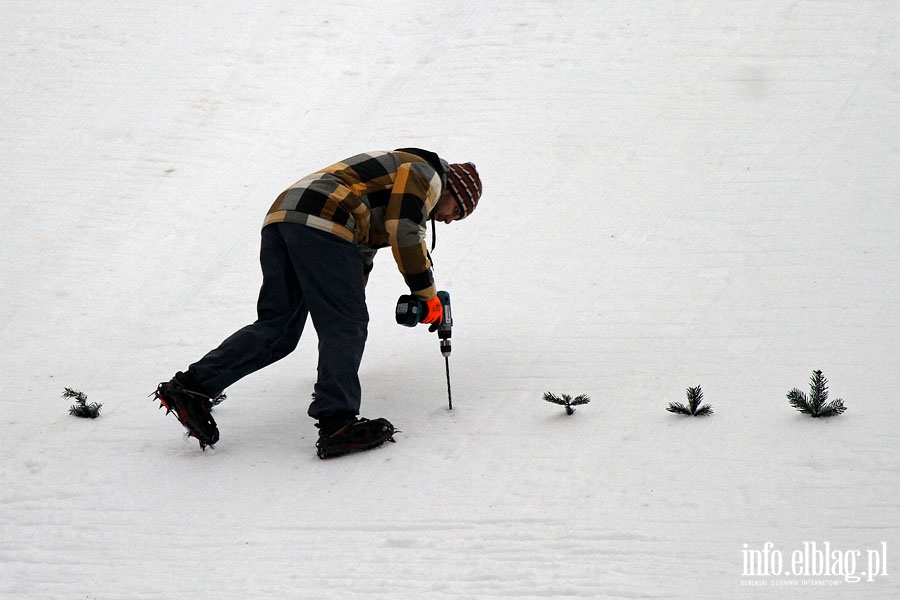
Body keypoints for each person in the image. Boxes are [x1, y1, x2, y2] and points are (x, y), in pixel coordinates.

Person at [152, 148, 482, 458]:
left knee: (278, 329)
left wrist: (349, 298)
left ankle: (191, 388)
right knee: (346, 325)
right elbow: (405, 230)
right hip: (327, 217)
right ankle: (337, 423)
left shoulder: (391, 183)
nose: (451, 220)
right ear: (454, 190)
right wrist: (426, 295)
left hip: (285, 217)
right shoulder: (426, 174)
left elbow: (360, 254)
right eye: (457, 211)